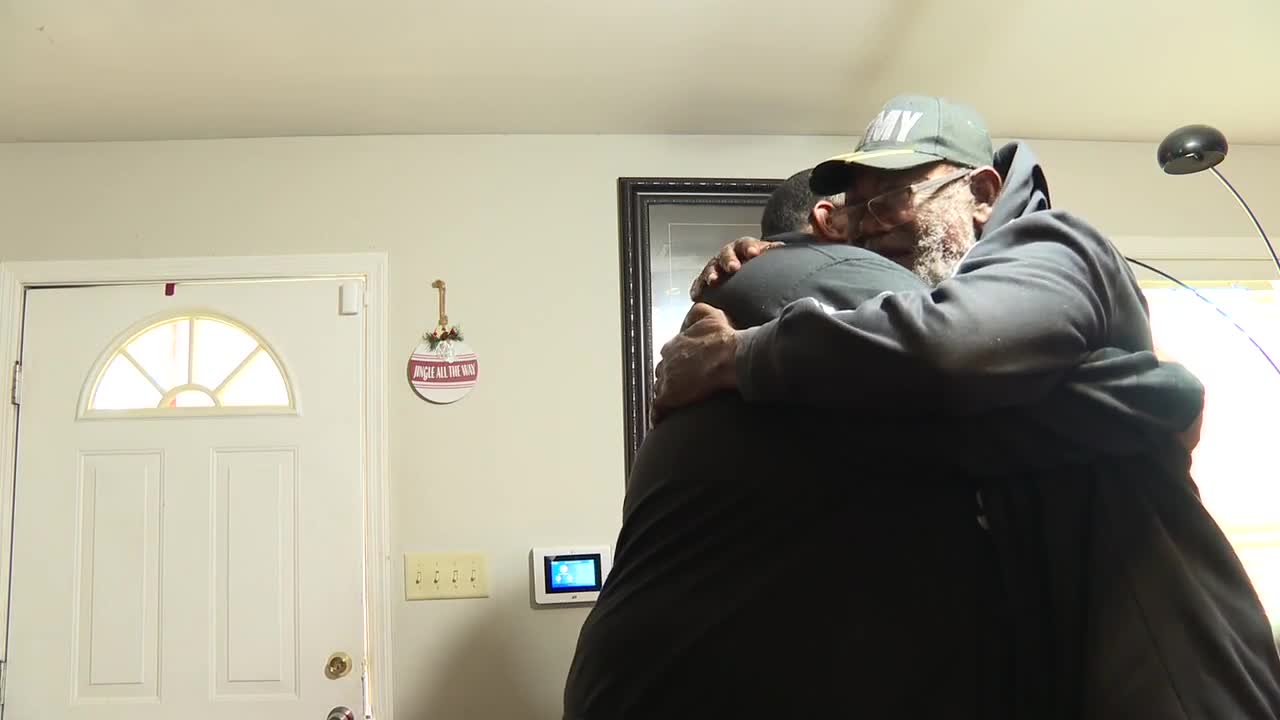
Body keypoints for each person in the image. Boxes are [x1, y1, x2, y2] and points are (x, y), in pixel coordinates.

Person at [654, 94, 1280, 718]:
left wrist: (738, 356)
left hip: (1169, 663)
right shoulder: (913, 331)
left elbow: (954, 345)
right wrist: (790, 255)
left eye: (894, 198)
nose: (869, 226)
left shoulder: (1055, 243)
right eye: (856, 209)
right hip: (1061, 670)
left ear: (982, 193)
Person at [563, 170, 1206, 719]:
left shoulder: (766, 292)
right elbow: (972, 378)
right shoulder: (829, 278)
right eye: (870, 209)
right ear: (829, 221)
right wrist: (1159, 390)